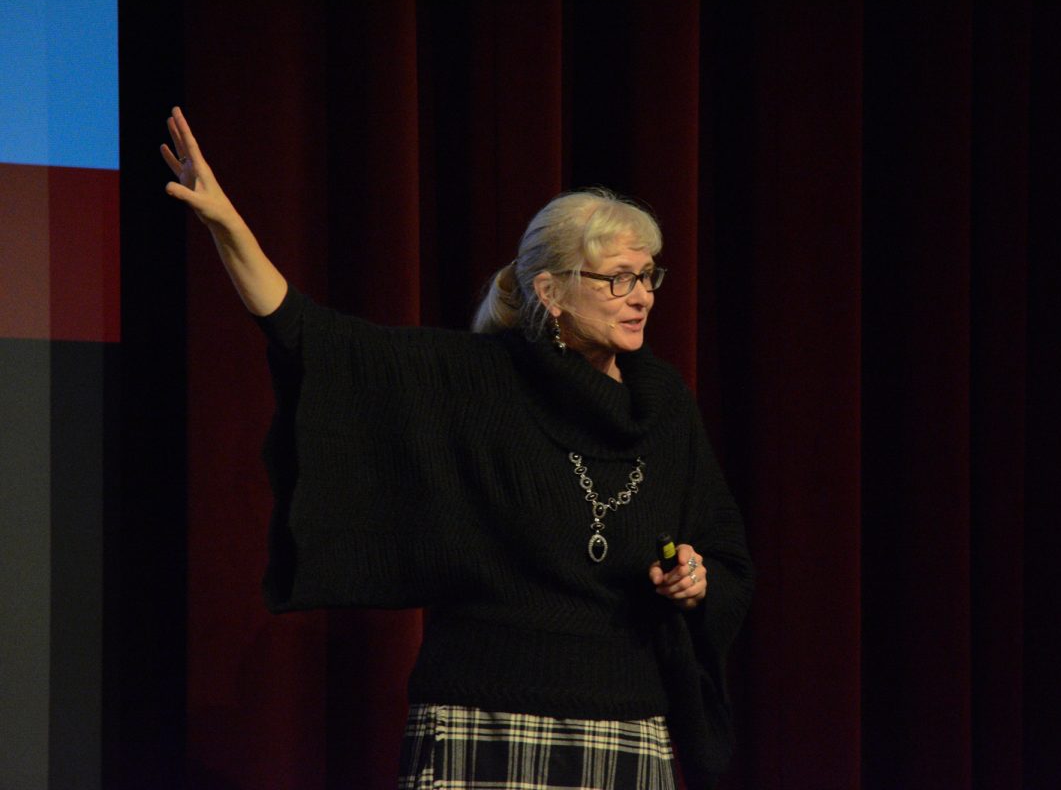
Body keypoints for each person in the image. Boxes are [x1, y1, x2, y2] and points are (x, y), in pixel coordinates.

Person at [162, 106, 753, 790]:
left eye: (649, 276)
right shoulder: (481, 379)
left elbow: (725, 554)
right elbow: (315, 338)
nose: (641, 296)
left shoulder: (665, 405)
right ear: (551, 292)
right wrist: (229, 229)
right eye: (618, 278)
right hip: (484, 716)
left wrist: (694, 581)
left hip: (627, 723)